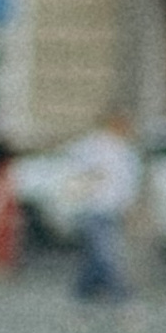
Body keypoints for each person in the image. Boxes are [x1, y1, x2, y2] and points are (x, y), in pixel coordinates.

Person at [65, 107, 141, 305]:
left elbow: (128, 183)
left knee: (94, 256)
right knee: (106, 255)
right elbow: (77, 172)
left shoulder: (125, 151)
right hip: (93, 208)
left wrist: (127, 207)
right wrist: (90, 179)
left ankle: (81, 295)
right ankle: (123, 299)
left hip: (111, 209)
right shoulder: (92, 146)